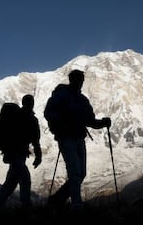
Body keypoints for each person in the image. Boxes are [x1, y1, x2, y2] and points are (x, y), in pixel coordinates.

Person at [44, 69, 111, 210]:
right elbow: (48, 113)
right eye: (77, 80)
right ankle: (76, 204)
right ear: (72, 80)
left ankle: (57, 200)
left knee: (81, 173)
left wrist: (103, 123)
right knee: (75, 171)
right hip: (66, 138)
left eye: (81, 80)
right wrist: (64, 122)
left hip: (78, 138)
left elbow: (90, 121)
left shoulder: (82, 100)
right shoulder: (62, 96)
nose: (79, 83)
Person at [0, 94, 42, 209]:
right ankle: (26, 207)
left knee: (10, 184)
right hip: (15, 154)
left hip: (16, 154)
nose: (30, 104)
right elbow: (36, 141)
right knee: (25, 178)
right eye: (29, 102)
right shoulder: (29, 119)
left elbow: (35, 140)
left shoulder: (21, 117)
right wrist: (38, 156)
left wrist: (38, 156)